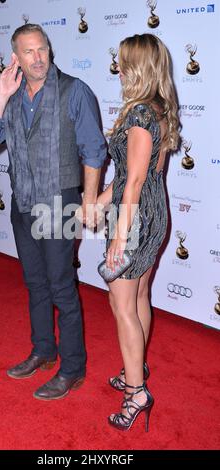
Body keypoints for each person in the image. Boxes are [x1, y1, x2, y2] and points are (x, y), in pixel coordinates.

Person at [0, 23, 106, 400]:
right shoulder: (14, 97)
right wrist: (1, 96)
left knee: (62, 288)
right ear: (15, 58)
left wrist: (89, 199)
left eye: (43, 49)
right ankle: (43, 350)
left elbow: (94, 149)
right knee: (35, 284)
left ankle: (72, 367)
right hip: (23, 205)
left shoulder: (74, 91)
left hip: (60, 202)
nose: (38, 58)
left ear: (49, 50)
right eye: (29, 52)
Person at [96, 34, 180, 430]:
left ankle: (136, 392)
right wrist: (98, 199)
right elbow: (135, 175)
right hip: (153, 212)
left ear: (140, 68)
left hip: (135, 220)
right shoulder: (160, 109)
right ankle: (136, 370)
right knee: (140, 294)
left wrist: (118, 238)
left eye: (124, 62)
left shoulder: (139, 115)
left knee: (121, 305)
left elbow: (133, 183)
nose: (119, 68)